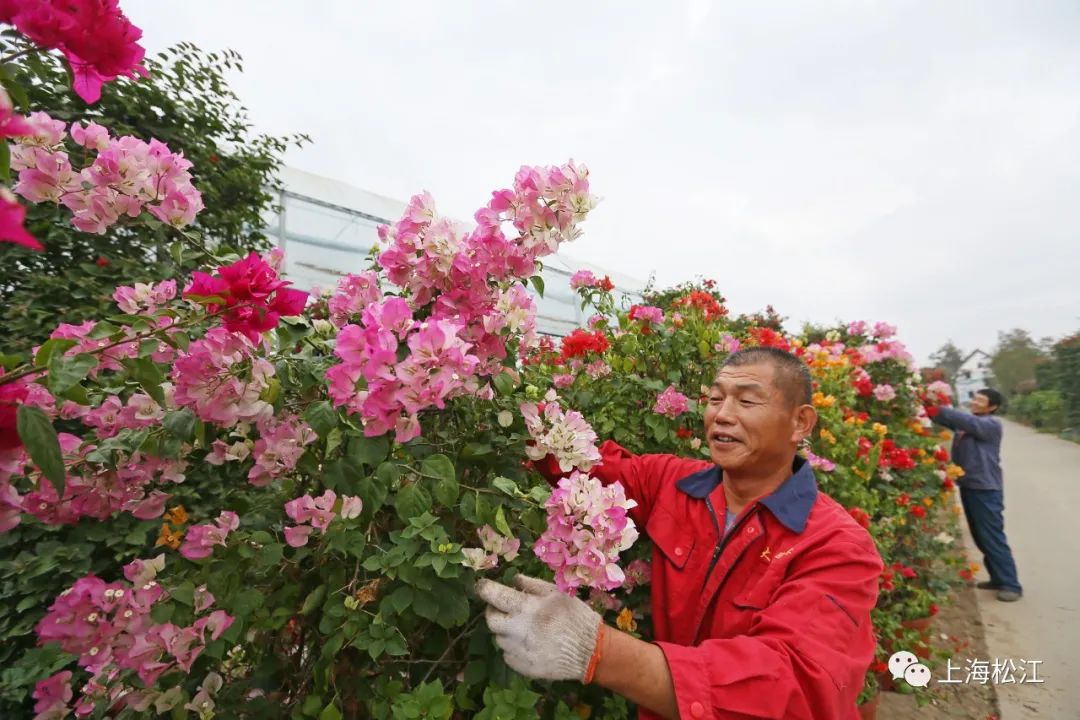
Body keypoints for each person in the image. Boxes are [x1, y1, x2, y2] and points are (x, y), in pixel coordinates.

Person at [477, 347, 884, 720]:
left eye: (746, 400)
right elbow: (585, 466)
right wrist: (508, 396)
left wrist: (598, 650)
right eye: (714, 399)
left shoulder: (837, 546)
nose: (722, 414)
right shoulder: (673, 483)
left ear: (801, 422)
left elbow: (791, 682)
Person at [930, 388, 1022, 602]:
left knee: (992, 536)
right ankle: (998, 578)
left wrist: (940, 406)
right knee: (980, 536)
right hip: (970, 486)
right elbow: (945, 418)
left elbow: (961, 419)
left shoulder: (990, 424)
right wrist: (927, 404)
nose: (975, 402)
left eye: (981, 400)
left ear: (992, 407)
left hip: (986, 489)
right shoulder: (967, 425)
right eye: (975, 398)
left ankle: (1011, 584)